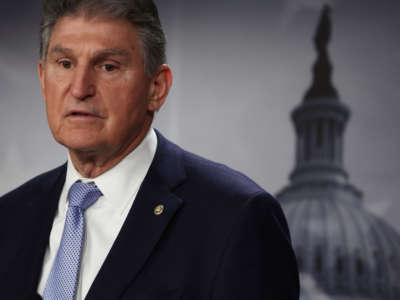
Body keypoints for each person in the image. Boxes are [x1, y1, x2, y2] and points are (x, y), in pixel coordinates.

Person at [0, 0, 299, 299]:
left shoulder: (236, 219)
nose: (80, 88)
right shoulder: (9, 217)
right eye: (65, 64)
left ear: (156, 87)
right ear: (42, 78)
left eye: (108, 67)